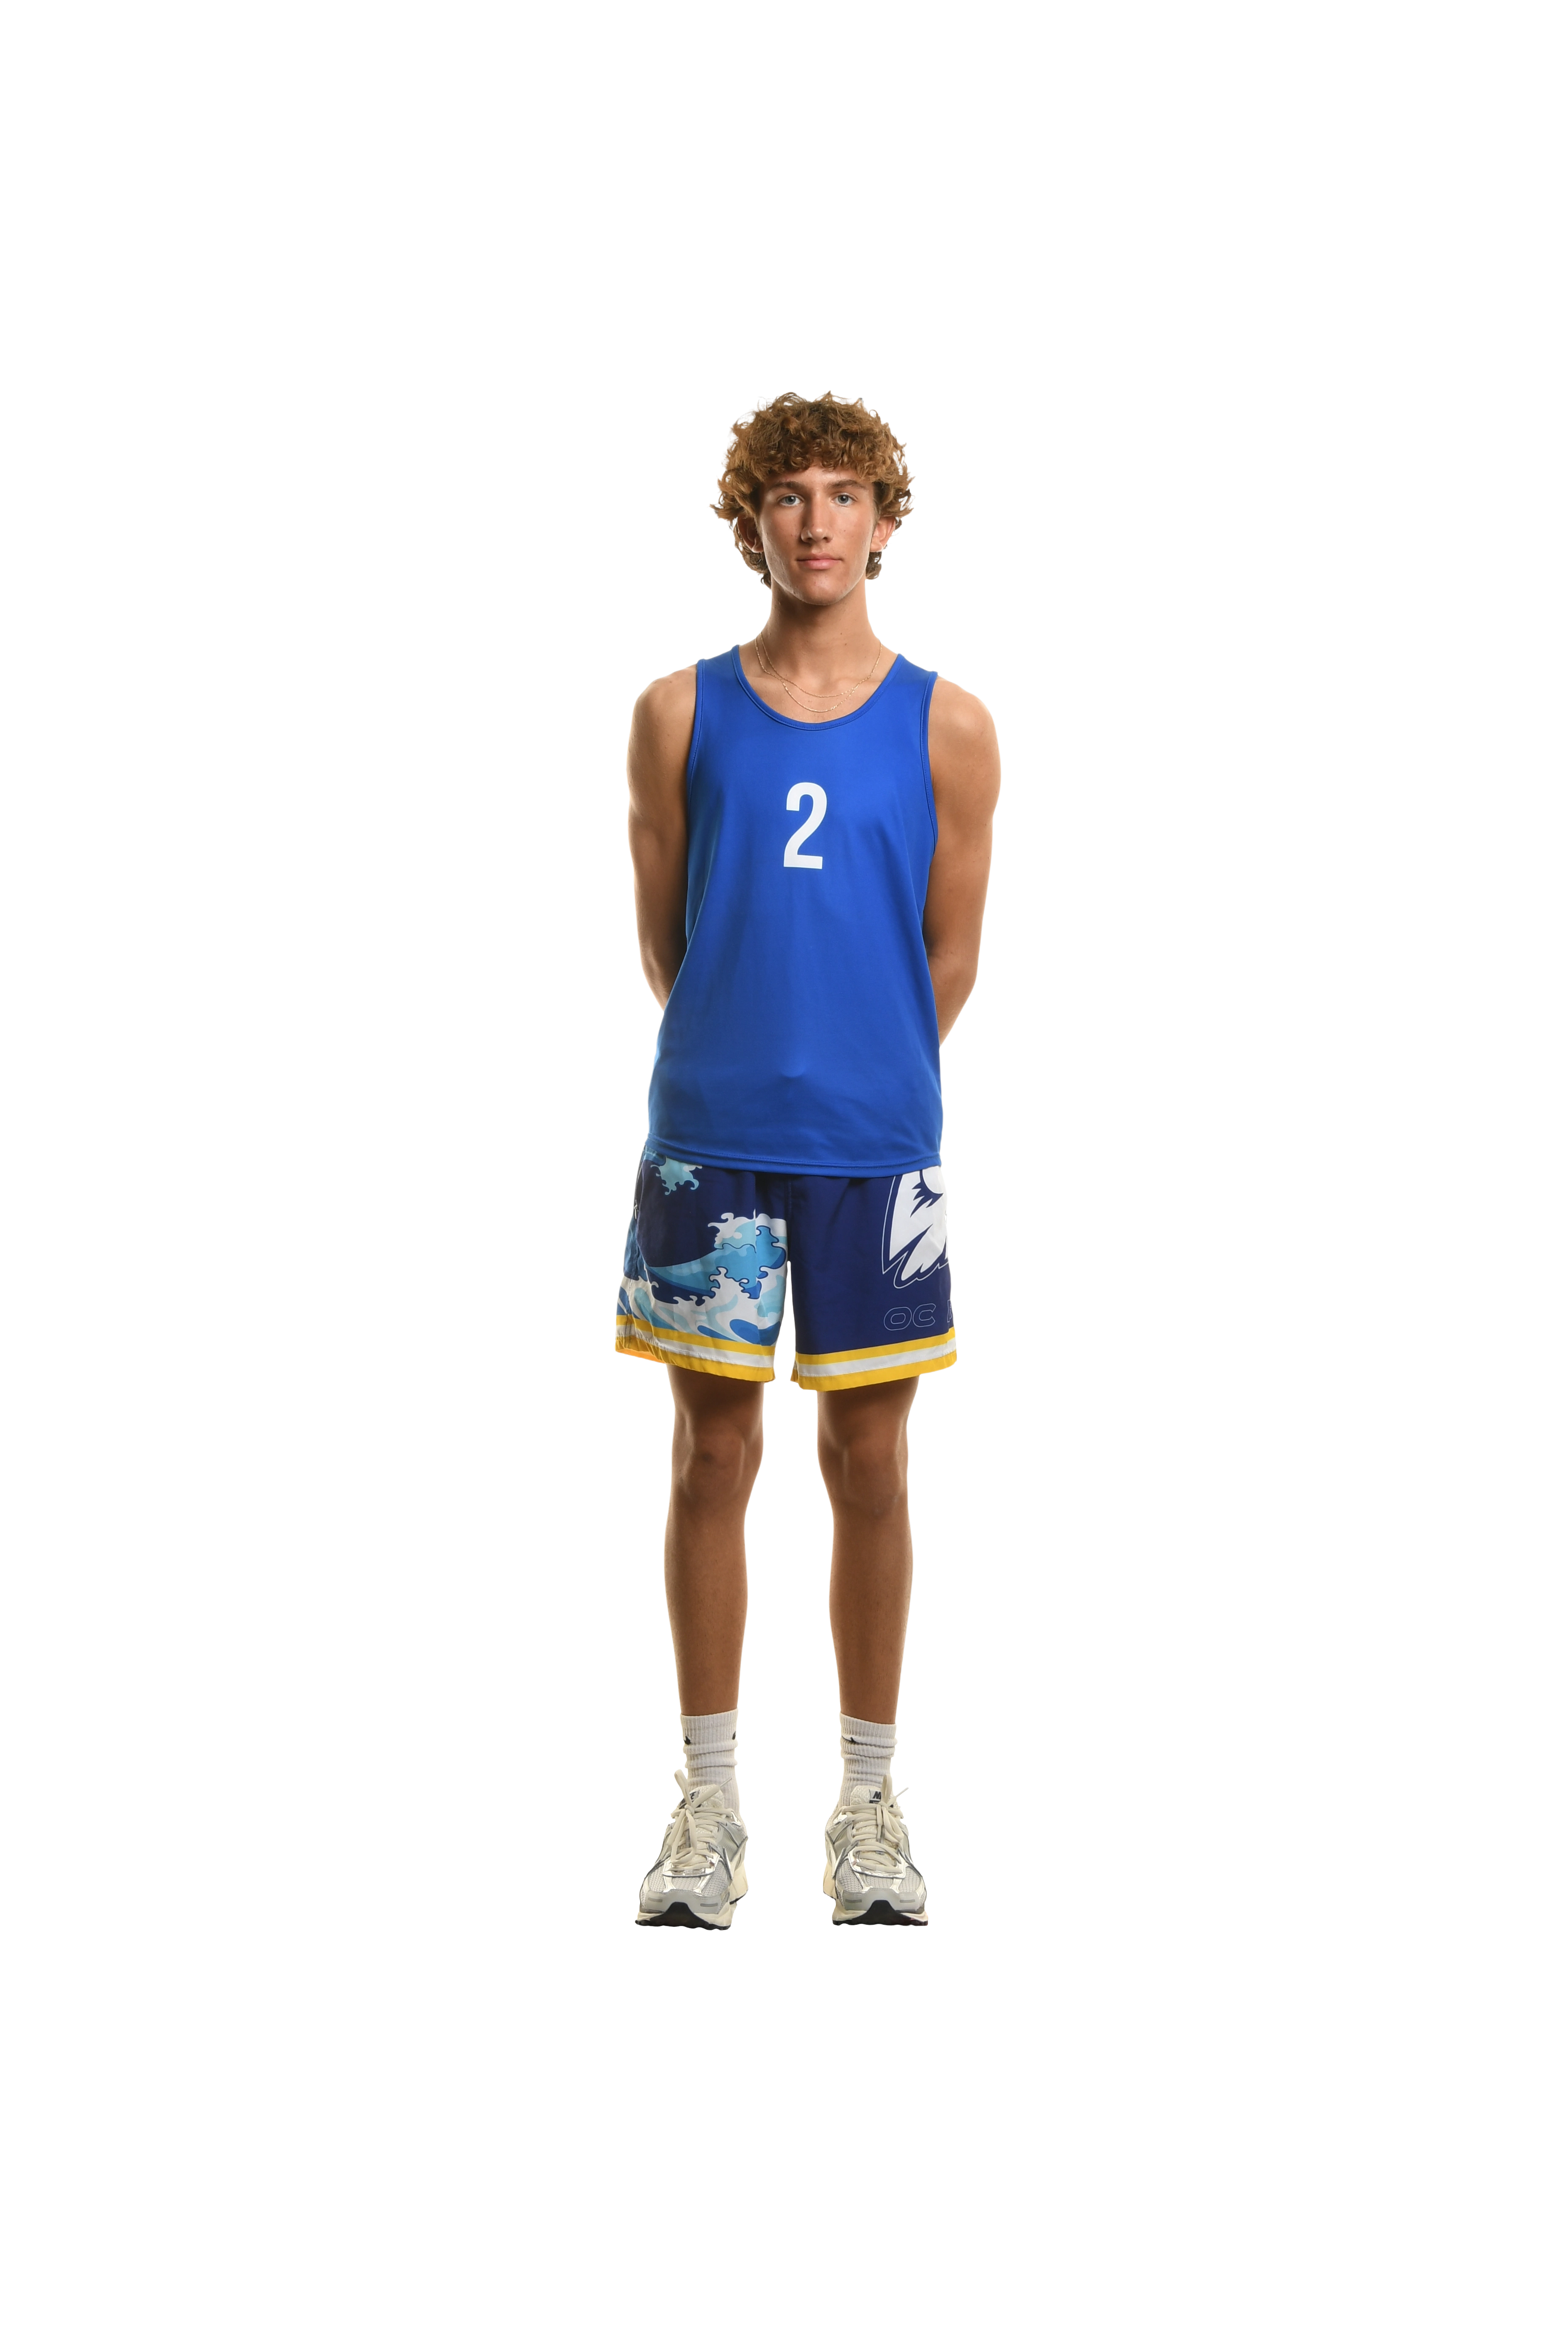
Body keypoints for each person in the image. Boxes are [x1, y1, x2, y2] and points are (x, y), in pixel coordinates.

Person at [618, 383, 1001, 1929]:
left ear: (886, 518)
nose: (817, 520)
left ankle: (867, 1811)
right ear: (748, 518)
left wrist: (853, 1063)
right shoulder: (676, 711)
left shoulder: (949, 724)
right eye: (787, 494)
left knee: (871, 1462)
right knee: (711, 1458)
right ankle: (707, 1811)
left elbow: (947, 957)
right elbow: (669, 940)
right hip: (708, 1144)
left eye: (847, 493)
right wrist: (750, 1048)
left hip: (874, 1148)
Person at [47, 323, 104, 411]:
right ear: (61, 344)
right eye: (68, 340)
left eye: (79, 340)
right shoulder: (48, 378)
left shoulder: (102, 377)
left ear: (86, 344)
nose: (74, 345)